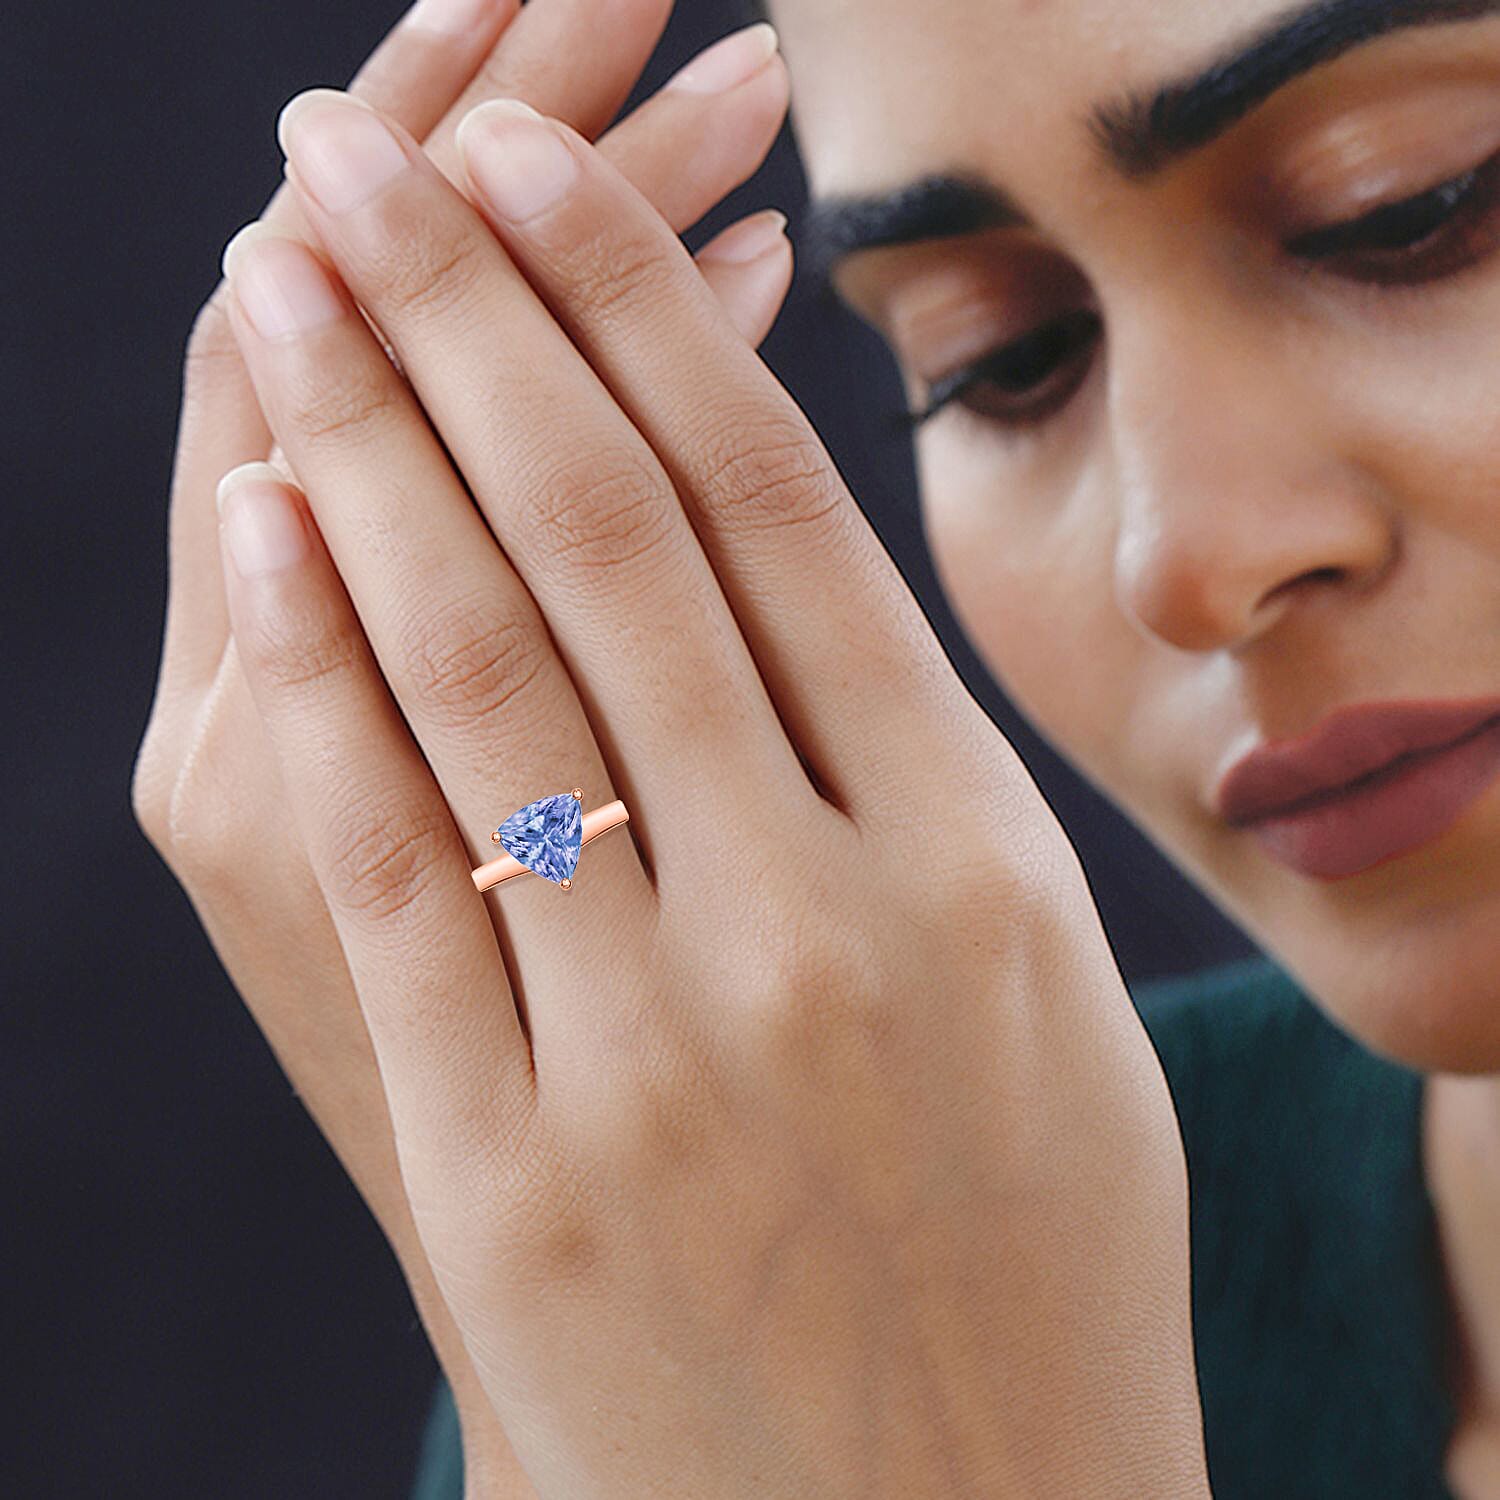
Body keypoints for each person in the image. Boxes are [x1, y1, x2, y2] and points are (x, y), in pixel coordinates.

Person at [128, 0, 1500, 1496]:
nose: (1182, 560)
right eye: (1003, 356)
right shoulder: (806, 1247)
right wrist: (567, 1375)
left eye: (1412, 205)